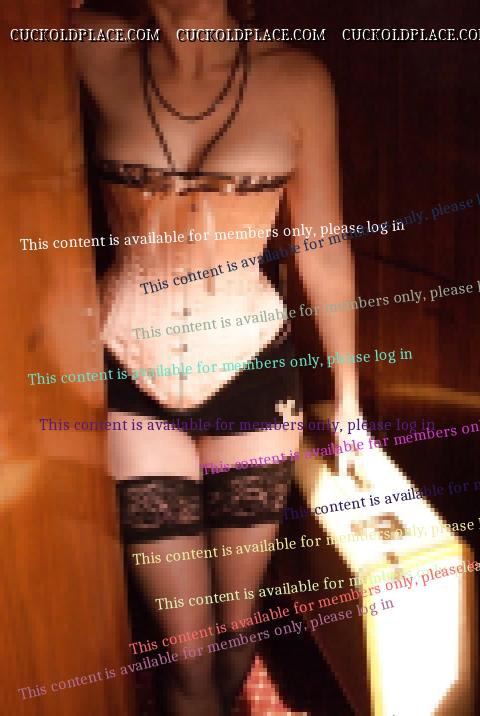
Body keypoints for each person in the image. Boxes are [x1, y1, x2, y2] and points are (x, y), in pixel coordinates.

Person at [72, 1, 362, 713]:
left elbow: (323, 248)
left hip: (252, 372)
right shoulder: (93, 48)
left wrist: (350, 399)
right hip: (128, 373)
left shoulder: (296, 78)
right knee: (188, 652)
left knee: (235, 628)